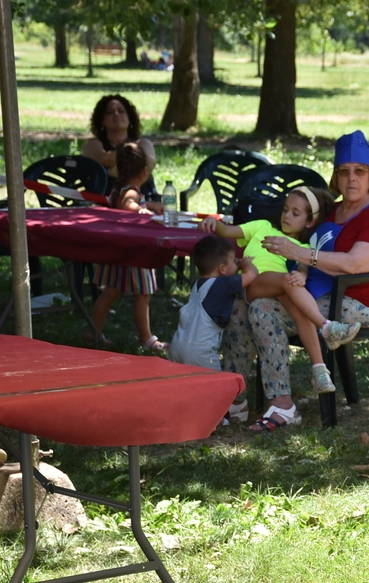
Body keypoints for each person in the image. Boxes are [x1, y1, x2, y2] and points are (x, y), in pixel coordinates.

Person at [220, 131, 369, 432]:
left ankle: (282, 404)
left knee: (262, 309)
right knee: (240, 307)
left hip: (358, 300)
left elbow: (354, 264)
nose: (351, 179)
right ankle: (232, 398)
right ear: (335, 177)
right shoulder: (331, 212)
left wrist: (301, 255)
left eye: (359, 171)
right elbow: (299, 231)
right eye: (344, 171)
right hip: (311, 289)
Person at [200, 186, 361, 394]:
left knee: (296, 305)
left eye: (295, 213)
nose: (287, 216)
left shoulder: (300, 247)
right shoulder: (263, 226)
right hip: (253, 282)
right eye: (285, 210)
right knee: (287, 281)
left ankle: (320, 371)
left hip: (277, 287)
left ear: (309, 221)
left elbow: (303, 267)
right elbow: (229, 231)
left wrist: (301, 276)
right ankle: (326, 326)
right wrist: (215, 224)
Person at [89, 142, 168, 351]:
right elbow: (128, 203)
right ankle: (146, 338)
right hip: (135, 254)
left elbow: (127, 200)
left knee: (109, 293)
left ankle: (93, 331)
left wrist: (149, 205)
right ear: (145, 171)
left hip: (119, 252)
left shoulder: (120, 189)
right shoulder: (130, 193)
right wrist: (140, 210)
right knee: (143, 294)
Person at [169, 237, 258, 381]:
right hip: (200, 352)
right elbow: (252, 275)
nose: (237, 264)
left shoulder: (197, 284)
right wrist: (246, 264)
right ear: (222, 268)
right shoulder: (223, 284)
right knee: (215, 387)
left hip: (177, 345)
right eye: (234, 261)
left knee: (181, 385)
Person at [81, 94, 156, 182]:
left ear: (129, 118)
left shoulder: (144, 143)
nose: (116, 114)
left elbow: (149, 163)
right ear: (102, 120)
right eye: (110, 112)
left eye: (121, 111)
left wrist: (109, 172)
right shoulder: (91, 143)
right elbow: (101, 160)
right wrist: (135, 160)